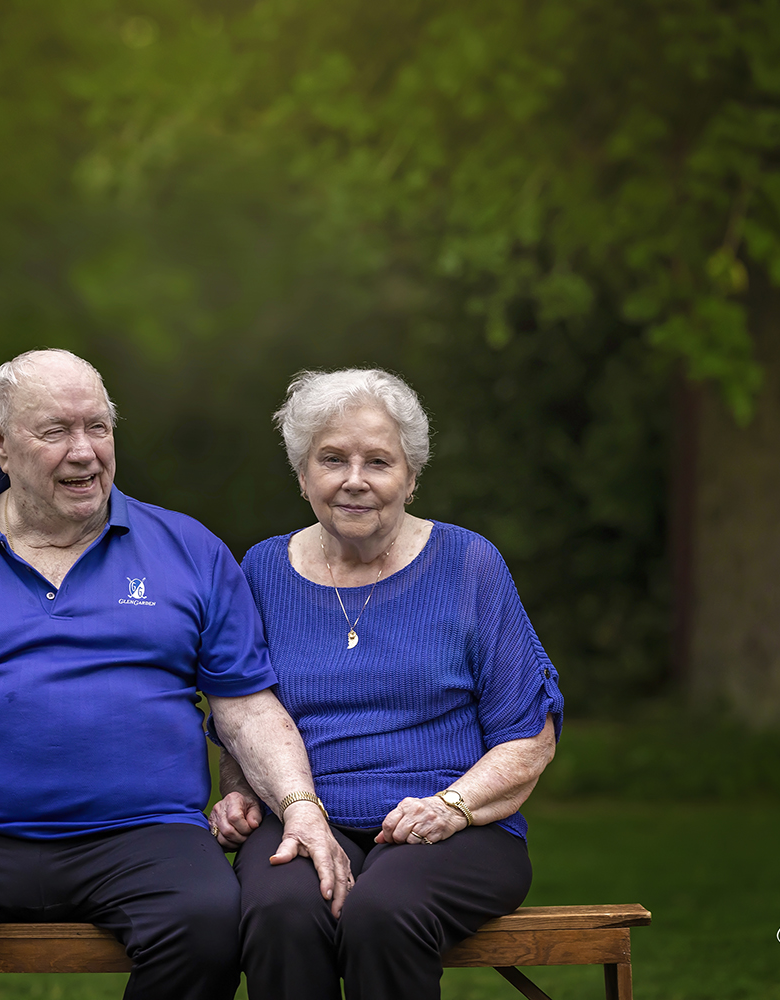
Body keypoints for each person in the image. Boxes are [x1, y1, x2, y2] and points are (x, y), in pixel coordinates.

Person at [0, 349, 351, 1000]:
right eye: (55, 431)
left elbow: (246, 706)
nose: (84, 452)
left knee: (207, 923)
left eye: (98, 427)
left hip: (146, 833)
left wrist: (300, 808)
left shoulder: (188, 550)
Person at [209, 368, 563, 1000]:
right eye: (332, 459)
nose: (355, 479)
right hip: (305, 817)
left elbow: (528, 737)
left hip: (455, 828)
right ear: (302, 475)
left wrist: (450, 807)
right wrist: (239, 793)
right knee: (280, 913)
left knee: (383, 912)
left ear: (411, 475)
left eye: (378, 461)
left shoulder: (467, 563)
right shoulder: (260, 570)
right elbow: (242, 715)